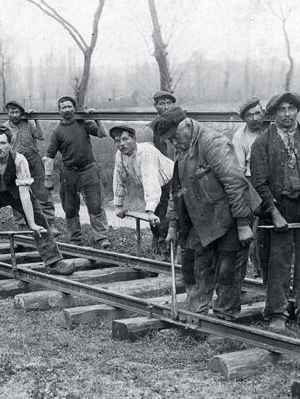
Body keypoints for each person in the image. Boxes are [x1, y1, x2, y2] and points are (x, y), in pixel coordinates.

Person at [156, 106, 261, 320]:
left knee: (227, 271)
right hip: (203, 217)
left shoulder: (214, 143)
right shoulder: (181, 146)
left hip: (231, 215)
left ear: (187, 124)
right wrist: (173, 225)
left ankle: (225, 317)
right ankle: (197, 315)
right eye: (170, 140)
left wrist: (242, 225)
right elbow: (177, 190)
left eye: (175, 137)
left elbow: (235, 184)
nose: (173, 143)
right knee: (198, 267)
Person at [249, 92, 300, 333]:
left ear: (297, 111)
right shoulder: (262, 144)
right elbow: (259, 183)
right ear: (273, 114)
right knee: (277, 261)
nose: (286, 114)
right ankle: (277, 312)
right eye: (281, 110)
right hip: (277, 209)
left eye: (291, 109)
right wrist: (273, 213)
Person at [0, 125, 75, 297]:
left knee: (40, 222)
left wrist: (32, 223)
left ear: (10, 144)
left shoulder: (19, 160)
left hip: (15, 193)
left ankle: (54, 262)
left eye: (3, 143)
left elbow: (25, 195)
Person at [44, 96, 111, 249]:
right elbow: (49, 156)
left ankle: (101, 238)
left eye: (69, 106)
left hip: (89, 170)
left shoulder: (84, 123)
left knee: (95, 205)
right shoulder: (57, 131)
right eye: (63, 107)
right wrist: (48, 178)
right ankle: (75, 239)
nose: (67, 110)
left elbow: (103, 134)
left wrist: (96, 118)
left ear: (74, 108)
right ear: (59, 111)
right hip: (69, 173)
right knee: (70, 207)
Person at [110, 125, 174, 258]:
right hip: (156, 186)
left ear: (134, 139)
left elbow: (151, 181)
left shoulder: (146, 153)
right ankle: (157, 250)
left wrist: (149, 211)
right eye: (117, 141)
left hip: (172, 182)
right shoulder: (120, 155)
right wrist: (119, 205)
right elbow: (118, 179)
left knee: (164, 220)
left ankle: (166, 256)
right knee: (155, 223)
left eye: (125, 139)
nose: (121, 144)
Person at [2, 100, 58, 233]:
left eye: (17, 112)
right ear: (7, 113)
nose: (14, 115)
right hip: (14, 163)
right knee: (17, 194)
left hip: (33, 161)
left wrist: (36, 120)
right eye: (12, 112)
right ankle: (22, 225)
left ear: (21, 113)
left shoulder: (29, 123)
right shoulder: (4, 128)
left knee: (42, 193)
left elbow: (42, 136)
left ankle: (48, 224)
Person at [231, 98, 270, 278]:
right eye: (249, 115)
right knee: (256, 229)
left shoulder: (273, 129)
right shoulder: (240, 136)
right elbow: (238, 169)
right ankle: (259, 269)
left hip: (274, 180)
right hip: (251, 182)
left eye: (257, 113)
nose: (254, 118)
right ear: (244, 119)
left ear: (263, 112)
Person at [138, 91, 178, 159]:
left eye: (169, 103)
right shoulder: (149, 130)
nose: (166, 107)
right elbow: (147, 159)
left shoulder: (180, 126)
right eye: (162, 104)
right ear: (155, 106)